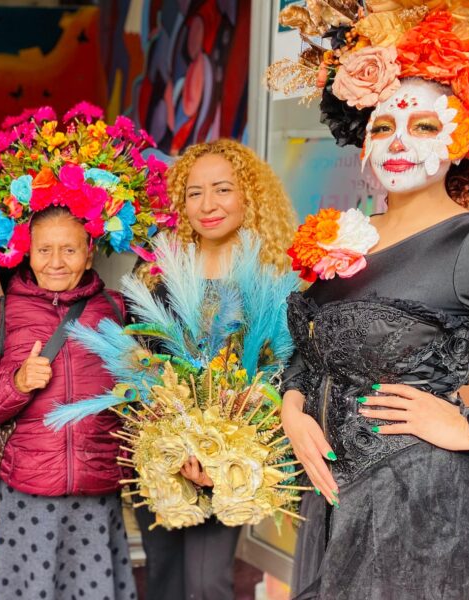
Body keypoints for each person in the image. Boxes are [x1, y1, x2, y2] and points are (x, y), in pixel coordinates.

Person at [274, 5, 469, 599]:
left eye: (425, 126)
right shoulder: (349, 235)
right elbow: (313, 349)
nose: (399, 142)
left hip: (420, 507)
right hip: (331, 500)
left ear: (463, 138)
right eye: (383, 126)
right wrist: (292, 407)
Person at [134, 138, 296, 600]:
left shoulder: (273, 278)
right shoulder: (158, 274)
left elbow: (284, 373)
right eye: (194, 192)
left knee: (207, 584)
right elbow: (139, 363)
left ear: (249, 196)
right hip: (164, 455)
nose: (207, 205)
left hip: (230, 462)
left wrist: (223, 455)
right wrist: (170, 441)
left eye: (223, 189)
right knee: (163, 578)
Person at [0, 206, 136, 600]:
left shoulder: (117, 309)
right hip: (28, 495)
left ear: (89, 254)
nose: (56, 262)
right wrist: (16, 383)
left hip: (98, 489)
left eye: (69, 250)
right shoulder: (0, 314)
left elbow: (142, 396)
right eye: (44, 250)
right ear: (28, 254)